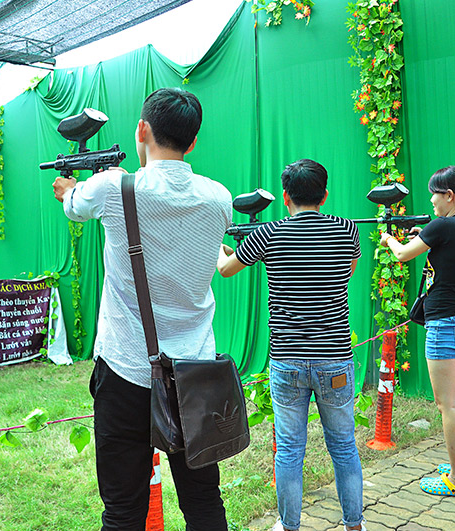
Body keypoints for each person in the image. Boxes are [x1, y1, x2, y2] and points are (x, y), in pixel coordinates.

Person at [52, 87, 232, 530]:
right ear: (193, 141)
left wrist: (69, 188)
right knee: (204, 502)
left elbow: (73, 206)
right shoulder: (220, 197)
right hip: (195, 372)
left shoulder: (113, 187)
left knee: (123, 511)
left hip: (126, 370)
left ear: (141, 130)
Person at [217, 159, 364, 531]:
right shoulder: (347, 230)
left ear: (285, 197)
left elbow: (226, 269)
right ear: (324, 195)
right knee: (344, 446)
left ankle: (289, 526)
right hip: (335, 359)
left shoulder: (267, 233)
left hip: (287, 361)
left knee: (289, 449)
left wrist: (221, 247)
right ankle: (354, 525)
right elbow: (346, 274)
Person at [380, 165, 455, 497]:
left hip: (446, 325)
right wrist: (422, 235)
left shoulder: (442, 226)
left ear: (449, 196)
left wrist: (388, 238)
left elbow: (401, 255)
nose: (431, 200)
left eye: (434, 194)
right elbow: (445, 248)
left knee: (448, 405)